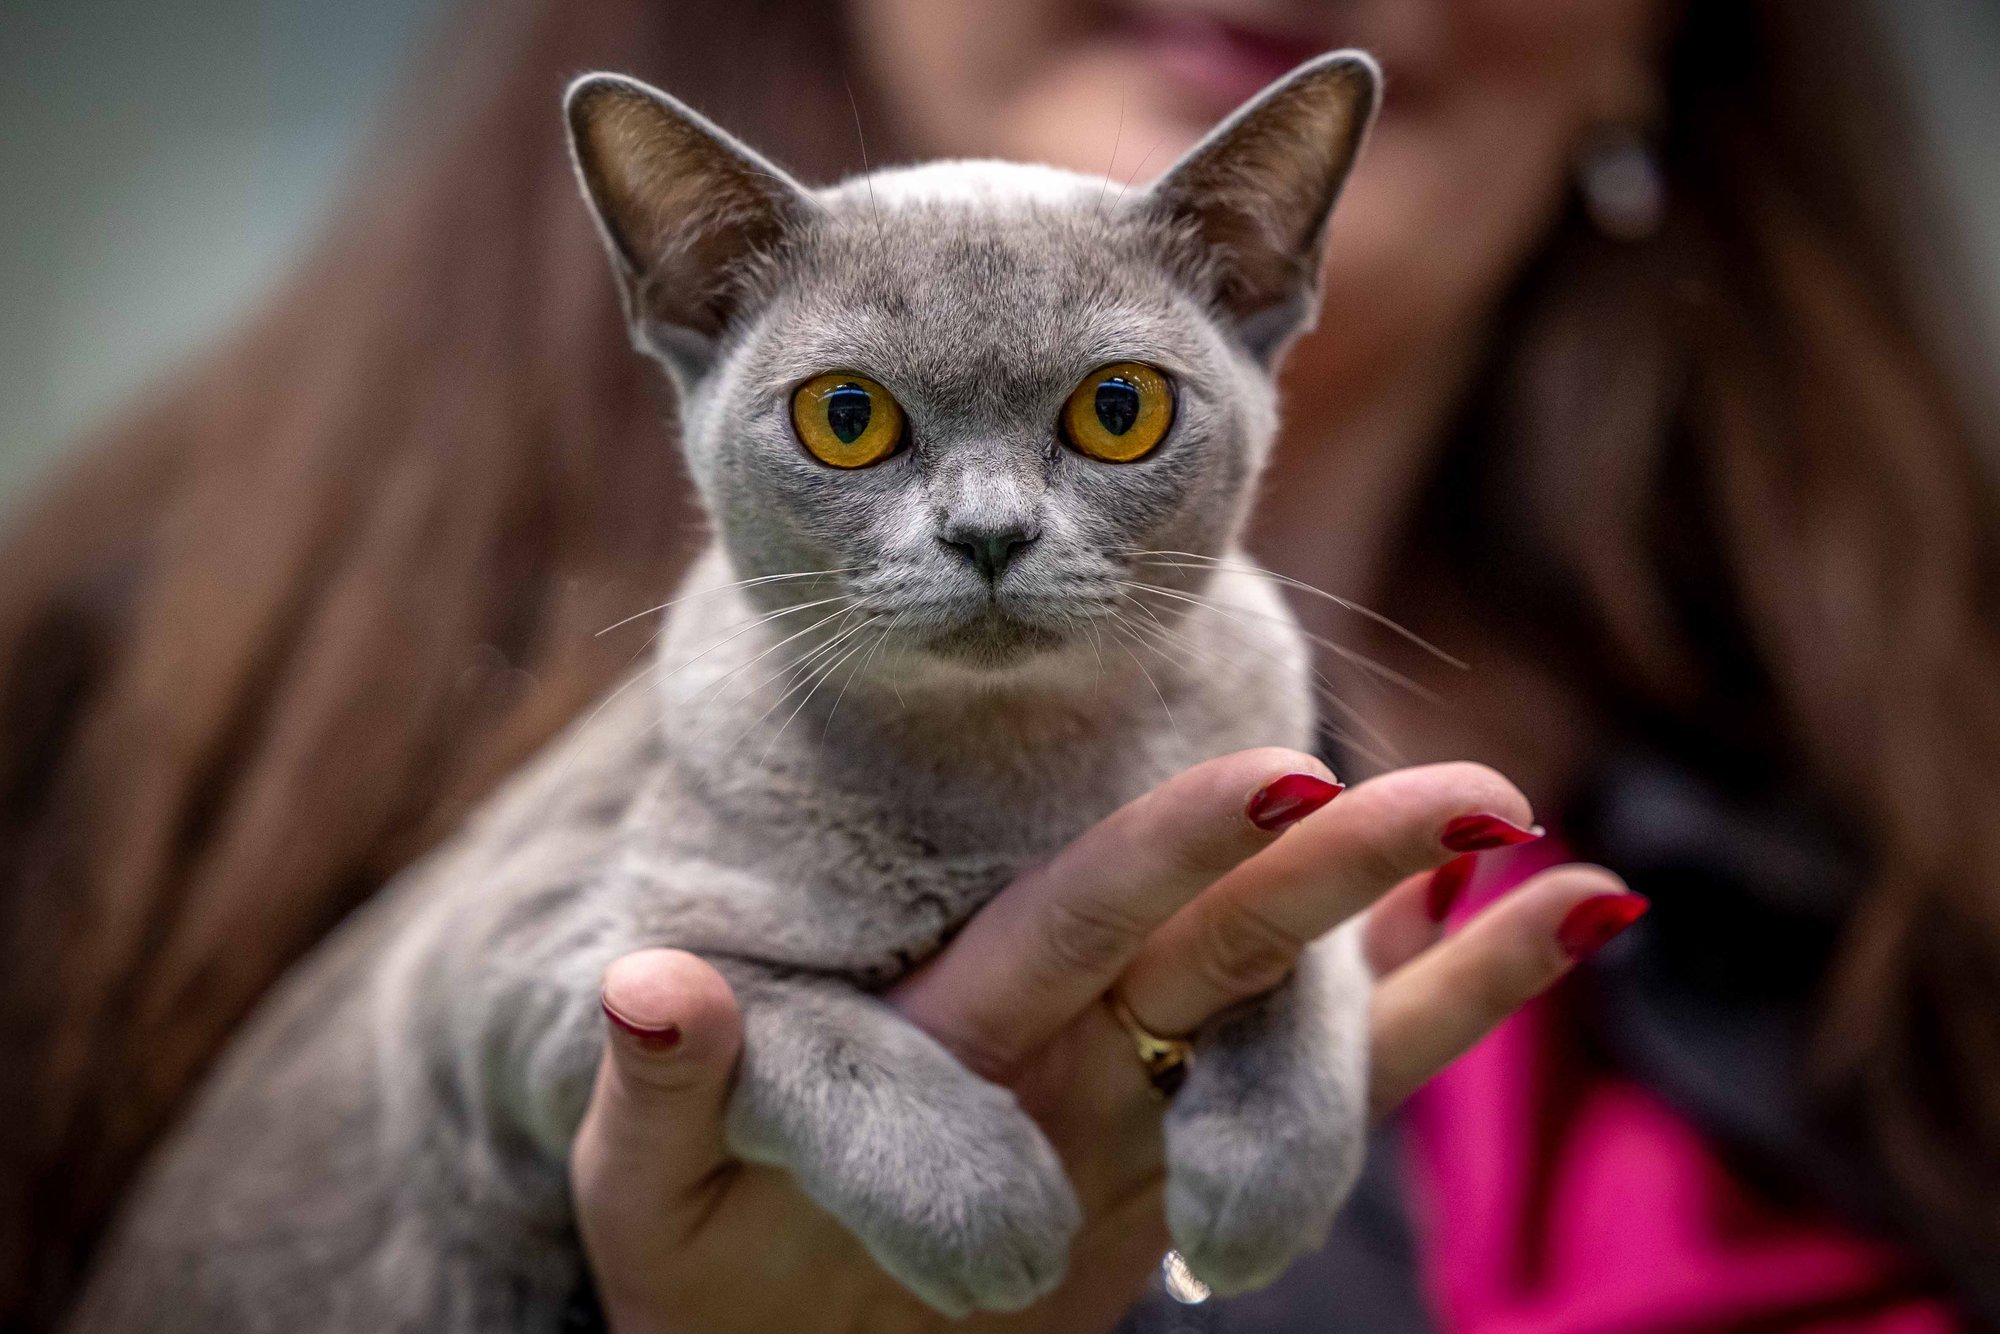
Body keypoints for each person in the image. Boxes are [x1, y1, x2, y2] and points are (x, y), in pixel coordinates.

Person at [0, 0, 1994, 1329]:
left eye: (1113, 416)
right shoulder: (151, 682)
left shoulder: (1930, 767)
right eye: (856, 428)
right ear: (693, 307)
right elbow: (540, 1004)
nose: (974, 522)